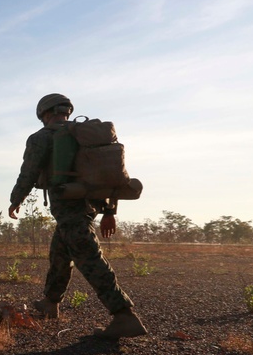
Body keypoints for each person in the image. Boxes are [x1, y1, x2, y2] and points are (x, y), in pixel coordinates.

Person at [8, 93, 148, 339]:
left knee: (89, 258)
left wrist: (15, 199)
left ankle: (124, 315)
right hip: (89, 205)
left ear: (44, 114)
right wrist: (109, 212)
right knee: (60, 254)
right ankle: (51, 303)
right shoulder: (82, 136)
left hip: (68, 207)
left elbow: (28, 172)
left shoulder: (42, 137)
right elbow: (107, 176)